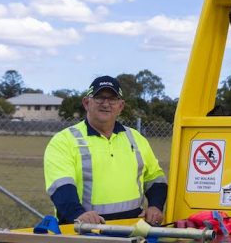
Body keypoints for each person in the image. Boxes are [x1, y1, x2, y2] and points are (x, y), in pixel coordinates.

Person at [44, 75, 167, 225]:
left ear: (120, 106)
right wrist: (78, 214)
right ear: (86, 103)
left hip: (133, 230)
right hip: (84, 232)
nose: (106, 104)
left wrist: (155, 205)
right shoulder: (63, 140)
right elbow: (61, 186)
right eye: (99, 97)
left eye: (112, 99)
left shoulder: (136, 138)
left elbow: (155, 177)